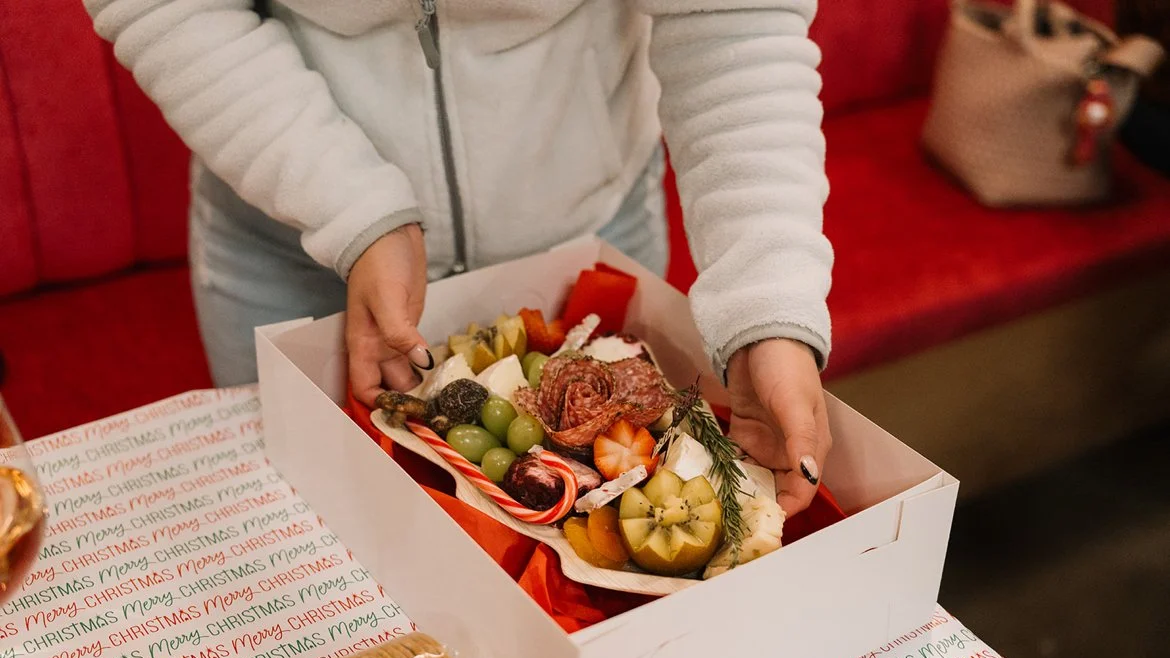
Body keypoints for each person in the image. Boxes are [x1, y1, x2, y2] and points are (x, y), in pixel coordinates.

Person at [84, 0, 834, 516]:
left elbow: (733, 21)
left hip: (585, 230)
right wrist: (351, 211)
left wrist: (767, 300)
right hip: (292, 239)